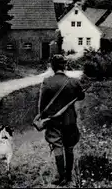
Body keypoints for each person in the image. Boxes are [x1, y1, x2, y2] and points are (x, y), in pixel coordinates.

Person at [38, 54, 85, 186]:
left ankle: (62, 177)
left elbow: (42, 105)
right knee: (69, 147)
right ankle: (69, 177)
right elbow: (81, 96)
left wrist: (43, 119)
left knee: (57, 147)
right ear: (64, 66)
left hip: (53, 121)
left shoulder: (47, 82)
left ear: (52, 67)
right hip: (70, 121)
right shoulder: (74, 82)